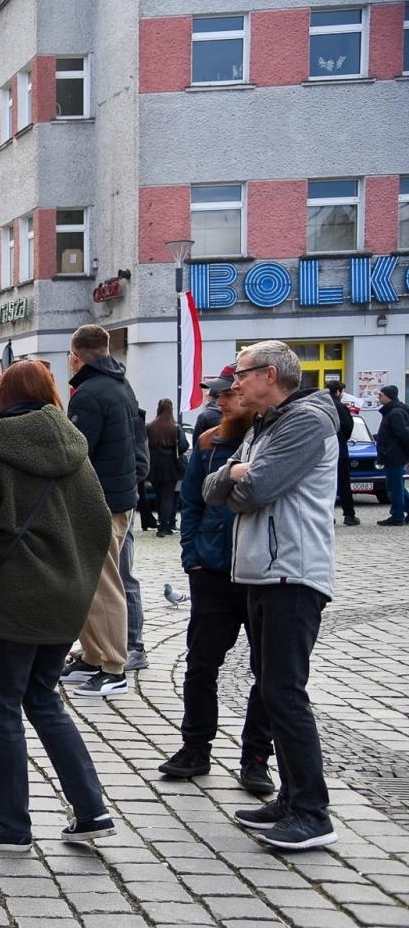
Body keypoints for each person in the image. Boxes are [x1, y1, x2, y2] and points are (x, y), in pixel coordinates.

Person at [0, 360, 116, 853]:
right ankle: (91, 810)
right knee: (43, 700)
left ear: (0, 394)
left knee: (1, 708)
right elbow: (100, 522)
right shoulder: (76, 450)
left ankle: (11, 826)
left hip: (12, 600)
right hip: (65, 600)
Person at [203, 340, 338, 851]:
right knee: (272, 688)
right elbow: (212, 486)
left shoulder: (305, 423)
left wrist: (236, 480)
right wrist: (233, 476)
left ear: (271, 374)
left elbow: (252, 492)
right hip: (262, 572)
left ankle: (311, 812)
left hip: (293, 574)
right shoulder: (263, 425)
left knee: (284, 691)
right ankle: (291, 797)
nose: (233, 384)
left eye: (241, 374)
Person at [160, 380, 275, 794]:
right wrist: (192, 556)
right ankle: (195, 747)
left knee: (267, 670)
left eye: (228, 394)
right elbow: (191, 501)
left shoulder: (273, 440)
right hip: (212, 571)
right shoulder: (208, 443)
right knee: (201, 663)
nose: (219, 401)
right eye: (218, 395)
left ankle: (256, 758)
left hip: (260, 571)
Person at [60, 323, 149, 698]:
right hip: (119, 496)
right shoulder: (120, 385)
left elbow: (77, 454)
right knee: (93, 584)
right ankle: (93, 657)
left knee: (105, 584)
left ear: (75, 356)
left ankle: (113, 667)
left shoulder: (89, 393)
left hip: (100, 502)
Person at [146, 398, 189, 537]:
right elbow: (184, 445)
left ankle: (161, 523)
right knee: (168, 496)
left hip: (153, 464)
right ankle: (165, 525)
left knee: (159, 495)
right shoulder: (175, 427)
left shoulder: (150, 426)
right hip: (171, 464)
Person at [321, 382, 356, 527]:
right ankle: (349, 515)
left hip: (322, 451)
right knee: (343, 484)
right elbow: (348, 427)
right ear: (338, 392)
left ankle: (327, 516)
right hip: (340, 450)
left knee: (324, 486)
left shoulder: (321, 406)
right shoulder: (340, 407)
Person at [377, 384, 409, 527]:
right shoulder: (392, 411)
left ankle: (397, 515)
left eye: (381, 395)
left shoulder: (395, 413)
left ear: (388, 396)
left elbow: (403, 435)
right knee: (398, 486)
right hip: (392, 455)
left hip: (394, 456)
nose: (379, 397)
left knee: (395, 487)